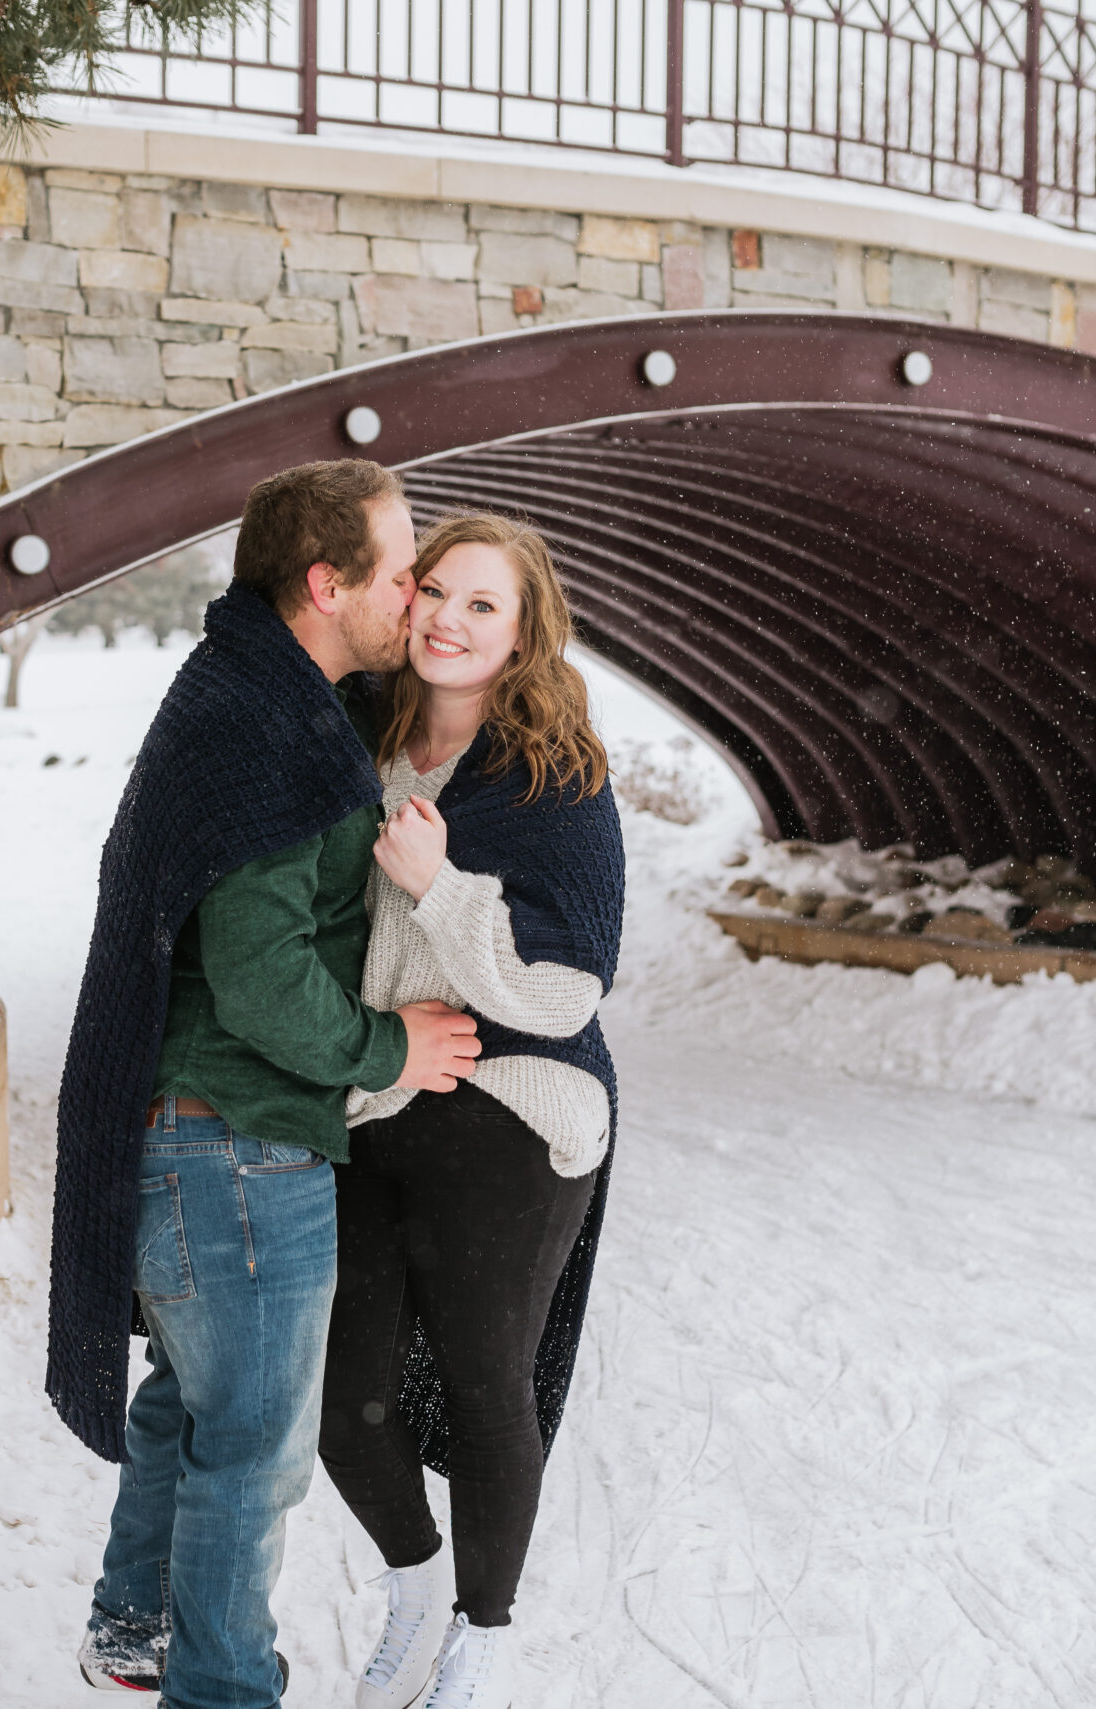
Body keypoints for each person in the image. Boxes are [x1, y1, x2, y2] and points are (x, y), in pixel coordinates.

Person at [51, 459, 485, 1709]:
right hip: (234, 1151)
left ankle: (135, 1626)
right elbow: (258, 976)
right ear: (324, 581)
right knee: (252, 1454)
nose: (415, 598)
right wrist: (389, 1046)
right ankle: (223, 1691)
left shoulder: (259, 691)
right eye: (401, 573)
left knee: (192, 1404)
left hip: (186, 1140)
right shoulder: (271, 732)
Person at [320, 514, 626, 1709]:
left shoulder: (558, 779)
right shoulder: (357, 741)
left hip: (517, 1107)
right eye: (435, 589)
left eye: (482, 603)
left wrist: (442, 890)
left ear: (525, 629)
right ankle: (413, 1579)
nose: (448, 617)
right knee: (342, 1399)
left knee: (486, 1378)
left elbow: (566, 987)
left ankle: (482, 1639)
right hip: (377, 1098)